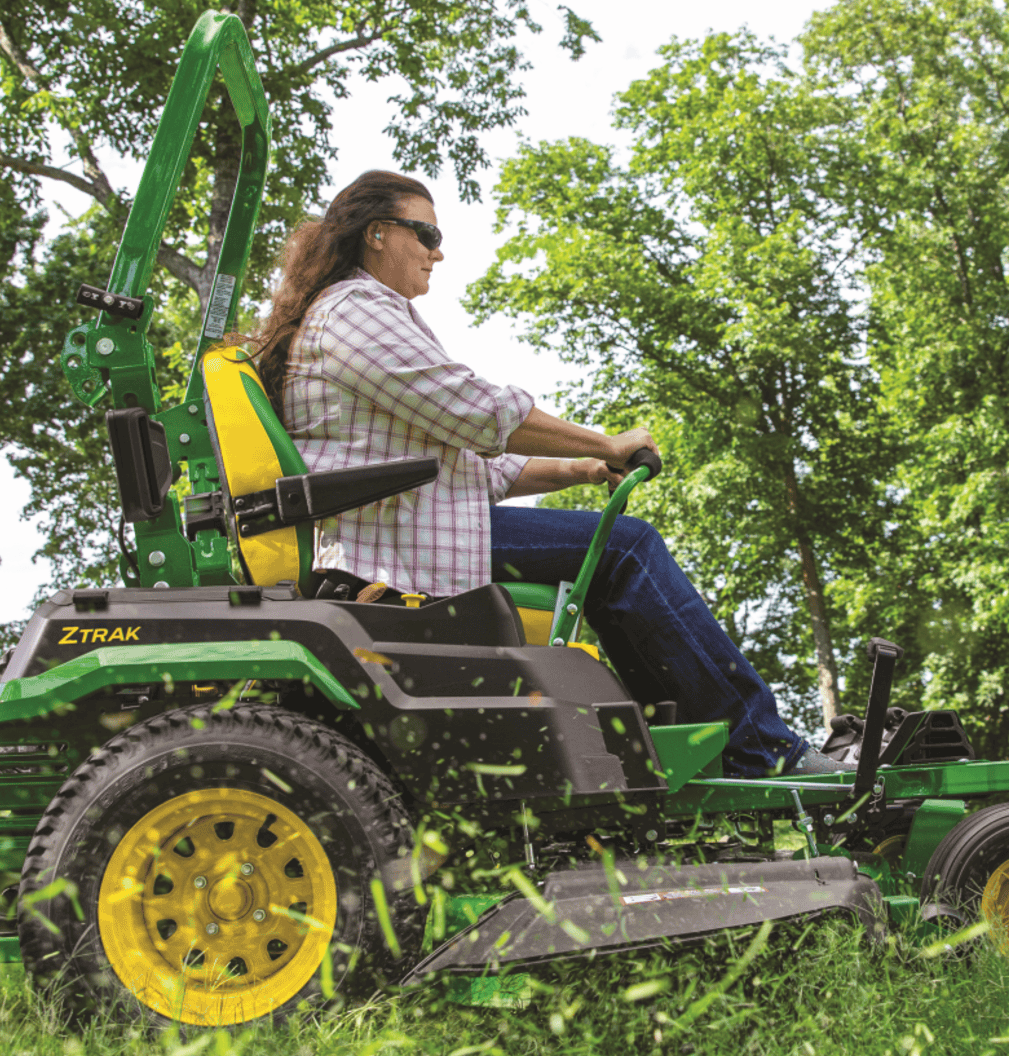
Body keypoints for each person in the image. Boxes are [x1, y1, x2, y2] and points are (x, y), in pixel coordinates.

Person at [240, 170, 846, 778]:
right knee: (624, 547)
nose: (437, 251)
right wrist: (607, 440)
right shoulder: (358, 310)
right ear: (377, 233)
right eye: (426, 232)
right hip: (392, 541)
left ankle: (680, 741)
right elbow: (475, 409)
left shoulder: (354, 314)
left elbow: (474, 466)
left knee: (612, 550)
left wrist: (580, 466)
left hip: (417, 518)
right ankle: (764, 750)